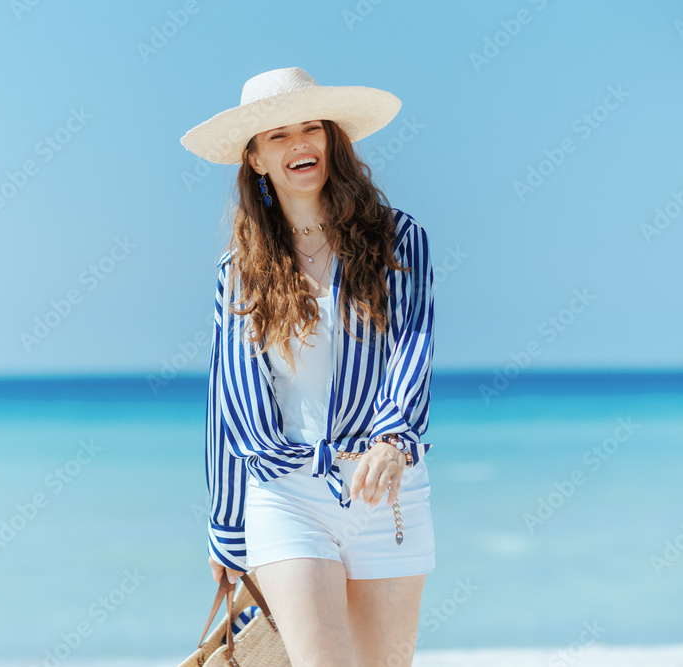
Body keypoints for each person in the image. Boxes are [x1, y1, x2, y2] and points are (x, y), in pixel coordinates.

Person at [180, 66, 436, 667]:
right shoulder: (238, 272)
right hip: (285, 494)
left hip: (387, 490)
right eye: (277, 135)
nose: (299, 144)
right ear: (256, 160)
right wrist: (226, 529)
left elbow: (413, 345)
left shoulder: (400, 240)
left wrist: (394, 439)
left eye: (310, 128)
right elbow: (228, 404)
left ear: (331, 140)